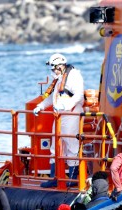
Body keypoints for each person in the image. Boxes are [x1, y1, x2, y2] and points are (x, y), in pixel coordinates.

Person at [33, 53, 84, 188]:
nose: (53, 71)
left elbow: (78, 95)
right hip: (59, 115)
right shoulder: (60, 78)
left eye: (54, 68)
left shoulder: (74, 76)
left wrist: (65, 106)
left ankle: (72, 178)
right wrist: (41, 105)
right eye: (52, 69)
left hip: (71, 114)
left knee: (72, 146)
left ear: (61, 66)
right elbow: (54, 97)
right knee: (55, 146)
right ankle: (54, 177)